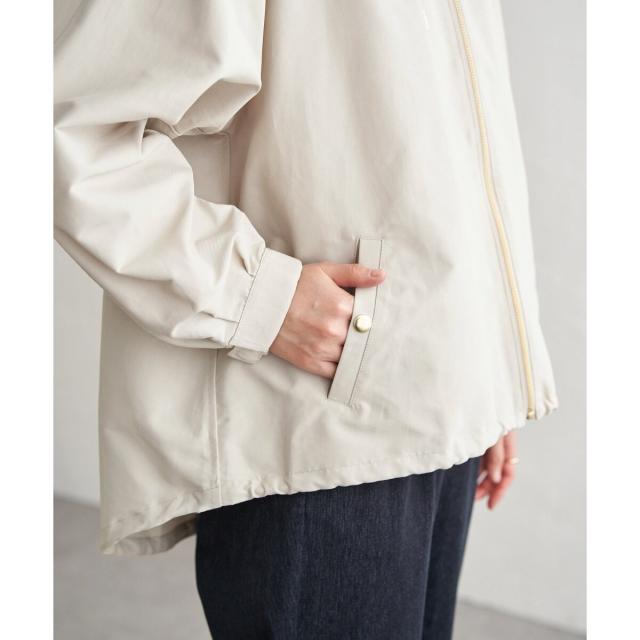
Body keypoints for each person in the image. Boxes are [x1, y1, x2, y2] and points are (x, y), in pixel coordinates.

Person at [54, 1, 558, 638]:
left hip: (438, 402)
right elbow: (68, 131)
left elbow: (454, 135)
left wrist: (487, 370)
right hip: (311, 419)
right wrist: (257, 296)